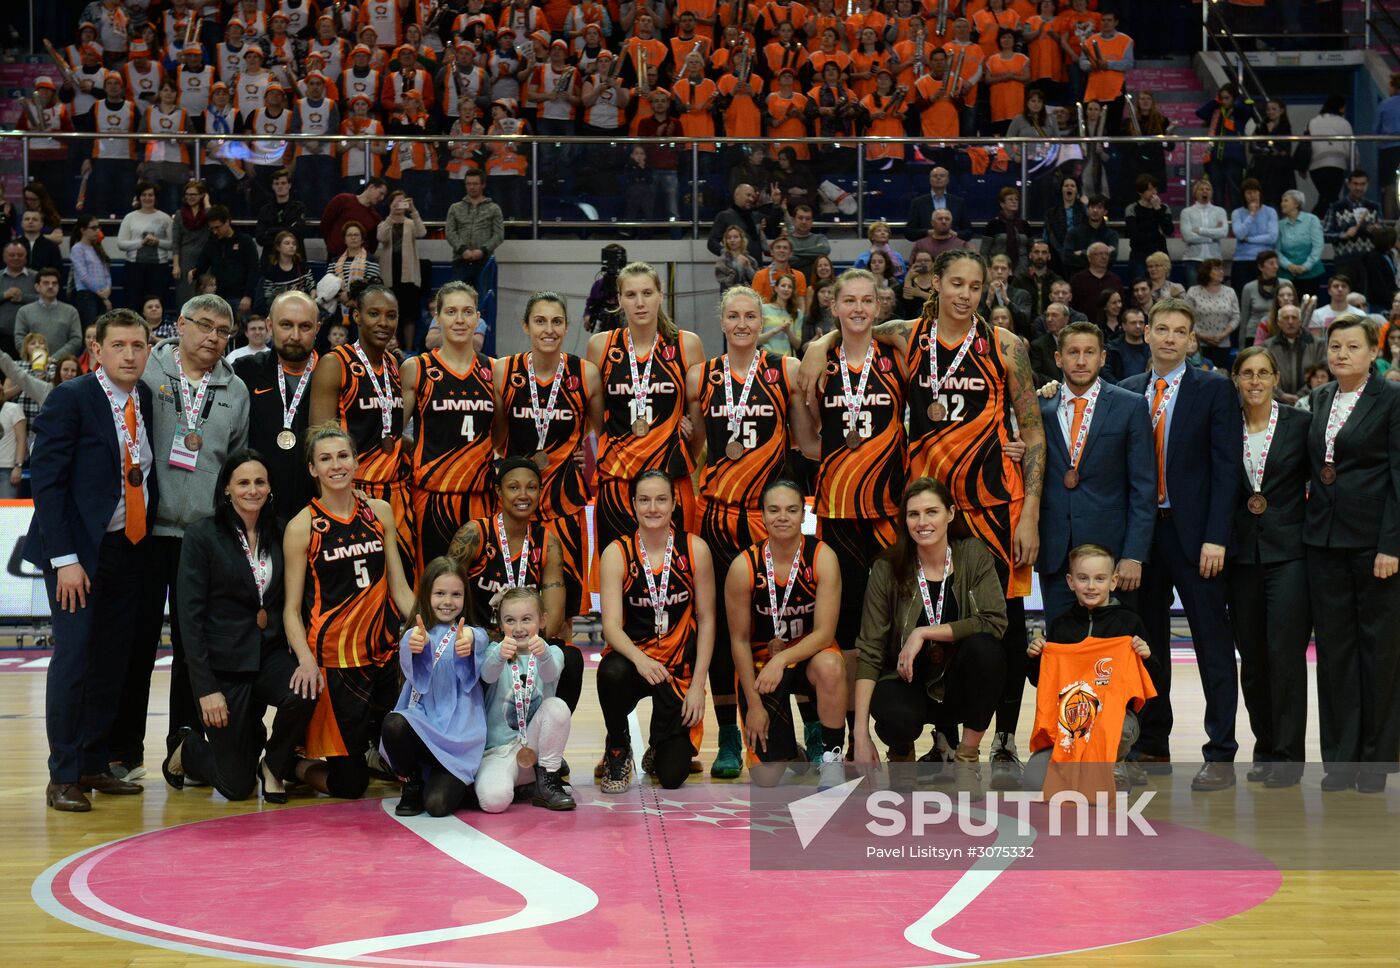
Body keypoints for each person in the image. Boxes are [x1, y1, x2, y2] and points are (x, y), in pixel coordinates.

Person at [25, 309, 156, 811]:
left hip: (127, 546)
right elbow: (47, 483)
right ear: (96, 350)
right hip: (77, 553)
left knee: (112, 660)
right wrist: (65, 559)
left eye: (138, 345)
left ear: (149, 349)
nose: (129, 354)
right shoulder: (71, 397)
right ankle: (62, 775)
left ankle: (94, 763)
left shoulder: (143, 397)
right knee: (76, 657)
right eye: (118, 345)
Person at [115, 293, 250, 782]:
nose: (213, 337)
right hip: (146, 533)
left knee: (196, 650)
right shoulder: (147, 372)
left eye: (223, 331)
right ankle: (123, 752)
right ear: (182, 325)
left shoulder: (235, 390)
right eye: (205, 325)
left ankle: (184, 750)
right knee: (137, 642)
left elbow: (236, 463)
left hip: (202, 537)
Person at [685, 287, 814, 777]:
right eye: (733, 316)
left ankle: (809, 730)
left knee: (785, 623)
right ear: (721, 321)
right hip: (717, 517)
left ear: (763, 323)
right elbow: (696, 446)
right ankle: (728, 739)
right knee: (721, 631)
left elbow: (807, 442)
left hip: (771, 521)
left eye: (750, 316)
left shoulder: (786, 371)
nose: (742, 324)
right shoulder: (702, 376)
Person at [1119, 298, 1243, 790]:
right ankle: (1153, 744)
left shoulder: (1213, 389)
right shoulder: (1128, 390)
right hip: (1143, 538)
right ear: (1147, 333)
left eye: (1180, 331)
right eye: (1162, 329)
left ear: (1192, 340)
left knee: (1213, 645)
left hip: (1196, 538)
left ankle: (1221, 753)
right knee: (1147, 646)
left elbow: (1227, 469)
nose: (1170, 338)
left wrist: (1216, 537)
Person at [162, 450, 316, 802]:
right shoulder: (201, 535)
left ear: (270, 487)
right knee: (235, 786)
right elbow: (189, 620)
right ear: (227, 489)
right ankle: (187, 749)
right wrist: (206, 689)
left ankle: (273, 766)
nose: (252, 489)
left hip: (268, 655)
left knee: (305, 689)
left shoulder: (282, 531)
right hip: (224, 667)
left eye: (260, 482)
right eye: (243, 482)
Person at [283, 423, 415, 799]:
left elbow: (400, 588)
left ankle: (377, 752)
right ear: (313, 469)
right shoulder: (303, 526)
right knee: (350, 785)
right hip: (336, 661)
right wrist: (306, 661)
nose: (336, 465)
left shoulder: (380, 512)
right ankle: (291, 765)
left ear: (357, 462)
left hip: (384, 653)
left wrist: (433, 629)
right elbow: (291, 609)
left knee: (409, 754)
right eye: (326, 459)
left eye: (343, 456)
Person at [853, 477, 1009, 793]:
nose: (922, 522)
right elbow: (870, 650)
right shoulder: (886, 568)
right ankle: (901, 758)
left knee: (987, 651)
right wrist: (859, 734)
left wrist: (923, 632)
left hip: (956, 685)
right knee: (893, 713)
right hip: (905, 682)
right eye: (914, 514)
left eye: (931, 512)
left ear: (950, 513)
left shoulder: (973, 554)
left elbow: (994, 621)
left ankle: (966, 758)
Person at [1304, 315, 1400, 793]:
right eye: (1335, 346)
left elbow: (1399, 476)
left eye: (1353, 347)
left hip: (1373, 545)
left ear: (1372, 353)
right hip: (1324, 543)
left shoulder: (1392, 399)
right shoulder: (1321, 397)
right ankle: (1340, 761)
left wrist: (1391, 544)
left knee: (1379, 654)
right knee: (1335, 653)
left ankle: (1375, 764)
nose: (1342, 354)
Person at [492, 293, 602, 642]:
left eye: (557, 322)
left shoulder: (585, 374)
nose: (549, 329)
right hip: (516, 508)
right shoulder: (503, 370)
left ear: (567, 327)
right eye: (540, 321)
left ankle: (558, 675)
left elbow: (600, 433)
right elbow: (496, 437)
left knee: (561, 617)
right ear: (525, 326)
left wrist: (583, 455)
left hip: (564, 507)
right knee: (507, 605)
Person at [597, 471, 716, 792]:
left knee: (672, 776)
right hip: (635, 663)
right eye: (645, 500)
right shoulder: (616, 553)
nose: (653, 508)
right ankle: (618, 747)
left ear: (675, 503)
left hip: (678, 669)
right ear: (632, 504)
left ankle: (660, 746)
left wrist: (698, 685)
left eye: (661, 499)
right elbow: (611, 627)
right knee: (610, 672)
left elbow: (707, 620)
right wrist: (641, 660)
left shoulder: (695, 549)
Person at [1227, 347, 1311, 787]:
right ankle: (1265, 748)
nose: (1255, 381)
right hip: (1241, 557)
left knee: (1285, 657)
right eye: (1247, 373)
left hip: (1289, 554)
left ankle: (1289, 756)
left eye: (1263, 373)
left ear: (1276, 378)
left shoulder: (1299, 423)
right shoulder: (1225, 424)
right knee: (1254, 660)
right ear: (1236, 379)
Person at [726, 478, 845, 786]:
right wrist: (754, 705)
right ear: (762, 515)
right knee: (765, 778)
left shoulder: (822, 557)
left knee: (831, 665)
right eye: (774, 510)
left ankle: (832, 758)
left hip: (808, 656)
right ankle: (792, 752)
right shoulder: (744, 566)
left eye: (791, 510)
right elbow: (739, 641)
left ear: (803, 514)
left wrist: (782, 659)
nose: (783, 517)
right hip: (761, 664)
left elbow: (824, 633)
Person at [1035, 320, 1155, 624]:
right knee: (1061, 641)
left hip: (1112, 554)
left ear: (1102, 358)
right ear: (1058, 358)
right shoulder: (1040, 406)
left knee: (1115, 644)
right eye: (1072, 352)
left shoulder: (1130, 406)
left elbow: (1143, 488)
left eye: (1089, 352)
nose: (1081, 360)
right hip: (1056, 551)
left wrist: (1133, 554)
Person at [585, 262, 705, 557]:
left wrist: (684, 448)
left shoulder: (687, 344)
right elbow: (597, 422)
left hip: (670, 481)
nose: (640, 302)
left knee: (675, 569)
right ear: (620, 299)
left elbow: (699, 423)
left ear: (660, 295)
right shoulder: (600, 346)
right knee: (617, 569)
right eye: (631, 294)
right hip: (617, 482)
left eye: (647, 293)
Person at [1024, 544, 1157, 794]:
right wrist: (1035, 657)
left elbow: (1151, 683)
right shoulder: (1061, 626)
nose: (1091, 586)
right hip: (1070, 722)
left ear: (1113, 582)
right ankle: (1083, 768)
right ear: (1070, 582)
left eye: (1100, 579)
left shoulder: (1129, 624)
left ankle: (1114, 764)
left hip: (1114, 717)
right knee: (1033, 780)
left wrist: (1146, 657)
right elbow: (1040, 680)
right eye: (1083, 578)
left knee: (1118, 729)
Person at [309, 284, 416, 576]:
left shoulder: (394, 364)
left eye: (391, 316)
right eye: (374, 314)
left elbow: (386, 429)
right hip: (356, 492)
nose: (383, 322)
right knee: (364, 588)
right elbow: (318, 442)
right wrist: (337, 497)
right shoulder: (335, 363)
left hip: (398, 493)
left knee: (403, 584)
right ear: (356, 316)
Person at [380, 557, 488, 817]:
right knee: (394, 724)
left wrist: (470, 638)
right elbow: (410, 646)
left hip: (458, 743)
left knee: (437, 806)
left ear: (465, 597)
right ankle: (411, 782)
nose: (448, 601)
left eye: (456, 594)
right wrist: (416, 644)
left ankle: (460, 784)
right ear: (426, 594)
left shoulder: (472, 634)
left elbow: (480, 638)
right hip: (423, 730)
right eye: (440, 593)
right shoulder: (415, 634)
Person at [477, 586, 577, 812]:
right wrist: (499, 656)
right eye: (510, 620)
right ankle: (525, 785)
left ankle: (548, 778)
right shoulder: (493, 650)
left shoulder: (552, 652)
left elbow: (550, 674)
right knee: (494, 801)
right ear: (501, 624)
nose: (519, 628)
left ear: (542, 621)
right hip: (500, 751)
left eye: (526, 619)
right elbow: (487, 675)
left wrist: (543, 655)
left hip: (535, 750)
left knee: (557, 707)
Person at [233, 291, 320, 524]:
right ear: (270, 326)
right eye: (286, 325)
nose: (295, 335)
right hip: (258, 512)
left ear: (317, 329)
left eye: (305, 326)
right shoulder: (246, 371)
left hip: (318, 510)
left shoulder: (332, 375)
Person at [194, 207, 261, 320]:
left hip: (240, 298)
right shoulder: (212, 243)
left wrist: (248, 296)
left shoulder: (245, 241)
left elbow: (253, 269)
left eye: (217, 227)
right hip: (218, 298)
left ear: (227, 222)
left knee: (242, 328)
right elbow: (202, 266)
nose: (215, 231)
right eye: (212, 228)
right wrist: (194, 272)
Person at [445, 169, 504, 292]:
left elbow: (498, 235)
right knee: (457, 296)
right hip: (461, 261)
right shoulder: (455, 208)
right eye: (468, 184)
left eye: (475, 184)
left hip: (485, 261)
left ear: (483, 185)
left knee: (483, 297)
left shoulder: (494, 208)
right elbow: (450, 232)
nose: (471, 187)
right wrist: (463, 250)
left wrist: (482, 251)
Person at [1323, 170, 1381, 295]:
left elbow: (1384, 236)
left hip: (1369, 262)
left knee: (1368, 299)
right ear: (1348, 184)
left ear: (1367, 185)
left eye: (1362, 184)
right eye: (1355, 184)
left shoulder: (1374, 207)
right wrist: (1343, 235)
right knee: (1343, 298)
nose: (1358, 188)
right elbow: (1325, 234)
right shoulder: (1335, 207)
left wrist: (1377, 231)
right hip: (1344, 262)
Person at [1263, 302, 1326, 404]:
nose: (1290, 321)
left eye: (1294, 317)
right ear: (1279, 322)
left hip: (1310, 401)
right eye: (1286, 318)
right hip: (1277, 402)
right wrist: (1281, 395)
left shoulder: (1317, 344)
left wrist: (1301, 395)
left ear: (1300, 321)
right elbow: (1265, 374)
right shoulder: (1268, 346)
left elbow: (1322, 374)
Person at [16, 268, 83, 360]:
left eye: (54, 283)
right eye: (46, 283)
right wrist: (36, 357)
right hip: (33, 363)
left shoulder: (71, 311)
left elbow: (76, 340)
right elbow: (19, 339)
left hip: (62, 364)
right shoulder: (24, 311)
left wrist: (55, 358)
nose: (51, 286)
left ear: (58, 287)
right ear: (37, 287)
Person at [1186, 259, 1241, 369]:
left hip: (1223, 343)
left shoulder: (1230, 292)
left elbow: (1236, 317)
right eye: (1216, 269)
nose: (1221, 272)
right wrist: (1202, 336)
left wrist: (1223, 334)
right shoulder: (1193, 291)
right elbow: (1187, 317)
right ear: (1206, 271)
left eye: (1222, 269)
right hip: (1198, 344)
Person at [1303, 95, 1352, 217]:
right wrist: (1354, 163)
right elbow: (1350, 145)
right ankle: (1315, 220)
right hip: (1336, 163)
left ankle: (1321, 221)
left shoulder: (1313, 121)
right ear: (1340, 107)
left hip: (1315, 165)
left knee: (1326, 197)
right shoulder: (1343, 123)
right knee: (1331, 197)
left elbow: (1305, 143)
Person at [1230, 179, 1279, 293]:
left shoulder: (1270, 212)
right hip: (1242, 259)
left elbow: (1272, 237)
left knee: (1267, 294)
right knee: (1241, 294)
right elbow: (1240, 235)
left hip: (1265, 259)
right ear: (1244, 195)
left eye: (1255, 192)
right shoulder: (1237, 213)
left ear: (1260, 193)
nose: (1252, 196)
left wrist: (1249, 239)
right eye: (1249, 193)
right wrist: (1251, 214)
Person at [322, 178, 387, 259]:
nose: (382, 198)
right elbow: (325, 223)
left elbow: (373, 244)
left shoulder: (375, 218)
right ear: (371, 187)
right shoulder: (342, 200)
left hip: (359, 260)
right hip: (335, 255)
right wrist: (332, 245)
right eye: (381, 193)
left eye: (383, 195)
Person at [1123, 175, 1172, 281]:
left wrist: (1157, 209)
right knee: (1140, 284)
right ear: (1140, 192)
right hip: (1139, 255)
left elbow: (1169, 230)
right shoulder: (1132, 209)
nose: (1154, 192)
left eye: (1155, 188)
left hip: (1160, 252)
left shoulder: (1164, 208)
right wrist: (1157, 233)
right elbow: (1134, 235)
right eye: (1149, 189)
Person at [1179, 178, 1229, 281]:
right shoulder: (1186, 212)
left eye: (1208, 189)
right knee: (1193, 290)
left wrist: (1200, 230)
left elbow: (1223, 233)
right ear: (1195, 193)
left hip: (1214, 260)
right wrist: (1212, 237)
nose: (1205, 191)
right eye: (1201, 189)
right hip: (1193, 260)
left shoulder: (1220, 211)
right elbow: (1187, 236)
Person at [70, 215, 113, 332]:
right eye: (93, 228)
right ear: (83, 230)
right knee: (90, 330)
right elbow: (83, 276)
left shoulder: (97, 247)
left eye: (98, 227)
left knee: (103, 330)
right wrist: (101, 293)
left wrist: (108, 289)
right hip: (87, 296)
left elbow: (106, 273)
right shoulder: (77, 249)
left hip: (102, 295)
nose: (97, 231)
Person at [904, 166, 970, 241]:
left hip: (953, 245)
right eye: (935, 176)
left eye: (942, 175)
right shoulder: (918, 203)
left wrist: (954, 234)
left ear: (947, 180)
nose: (938, 178)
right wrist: (928, 232)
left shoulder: (959, 202)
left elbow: (968, 232)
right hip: (927, 245)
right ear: (930, 180)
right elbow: (909, 233)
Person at [259, 230, 315, 313]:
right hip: (281, 310)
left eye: (294, 244)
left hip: (302, 307)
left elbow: (312, 287)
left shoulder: (301, 265)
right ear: (278, 247)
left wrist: (310, 303)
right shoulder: (271, 270)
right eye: (287, 243)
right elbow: (268, 297)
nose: (291, 246)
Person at [1062, 193, 1117, 274]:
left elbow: (1112, 258)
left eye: (1099, 207)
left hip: (1102, 277)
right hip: (1078, 276)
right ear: (1087, 210)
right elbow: (1067, 257)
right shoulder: (1074, 232)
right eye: (1092, 207)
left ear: (1105, 212)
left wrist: (1082, 253)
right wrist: (1101, 256)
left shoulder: (1111, 235)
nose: (1095, 210)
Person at [1106, 306, 1151, 384]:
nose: (1138, 326)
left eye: (1141, 322)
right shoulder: (1112, 348)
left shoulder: (1152, 347)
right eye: (1133, 323)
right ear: (1124, 326)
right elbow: (1106, 374)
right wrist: (1120, 388)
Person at [787, 203, 831, 276]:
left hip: (815, 282)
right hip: (791, 281)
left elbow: (825, 250)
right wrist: (814, 257)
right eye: (800, 218)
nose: (804, 222)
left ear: (811, 221)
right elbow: (787, 260)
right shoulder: (786, 241)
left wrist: (792, 251)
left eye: (808, 219)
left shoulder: (819, 238)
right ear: (793, 220)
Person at [715, 225, 758, 293]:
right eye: (729, 238)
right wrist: (738, 266)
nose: (732, 240)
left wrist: (748, 267)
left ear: (742, 239)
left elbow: (756, 281)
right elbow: (725, 283)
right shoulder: (722, 261)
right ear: (726, 241)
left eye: (735, 237)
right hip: (730, 296)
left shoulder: (751, 260)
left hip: (748, 296)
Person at [0, 393, 24, 498]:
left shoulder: (13, 409)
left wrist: (18, 466)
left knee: (7, 506)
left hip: (7, 469)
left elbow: (21, 440)